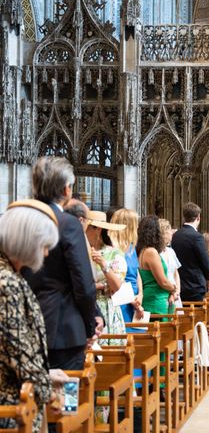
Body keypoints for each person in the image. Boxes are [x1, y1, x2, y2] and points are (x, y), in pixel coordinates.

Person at [26, 157, 99, 370]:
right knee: (66, 400)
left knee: (28, 396)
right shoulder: (67, 224)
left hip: (22, 325)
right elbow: (84, 285)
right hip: (62, 329)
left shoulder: (16, 219)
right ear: (67, 190)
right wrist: (89, 325)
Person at [0, 200, 60, 432]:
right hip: (13, 405)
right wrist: (48, 392)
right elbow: (18, 349)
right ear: (27, 242)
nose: (46, 253)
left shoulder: (10, 275)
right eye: (44, 245)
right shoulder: (6, 283)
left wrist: (46, 374)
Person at [85, 211, 128, 345]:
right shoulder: (79, 251)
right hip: (86, 305)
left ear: (97, 229)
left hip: (107, 308)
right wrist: (101, 286)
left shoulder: (113, 253)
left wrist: (103, 264)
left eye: (86, 228)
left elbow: (117, 286)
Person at [171, 202, 209, 301]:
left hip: (179, 285)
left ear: (184, 217)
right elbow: (205, 262)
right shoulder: (197, 236)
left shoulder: (175, 236)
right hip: (195, 287)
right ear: (198, 217)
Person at [109, 208, 144, 326]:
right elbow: (117, 278)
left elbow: (136, 272)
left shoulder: (131, 247)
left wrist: (140, 294)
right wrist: (132, 300)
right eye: (136, 224)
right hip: (122, 300)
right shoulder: (114, 249)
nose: (138, 227)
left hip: (134, 300)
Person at [137, 216, 178, 315]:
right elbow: (163, 281)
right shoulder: (151, 252)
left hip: (153, 297)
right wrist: (174, 289)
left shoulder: (142, 250)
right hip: (156, 300)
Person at [159, 219, 183, 308]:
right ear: (163, 233)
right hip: (164, 294)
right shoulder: (156, 253)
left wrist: (177, 292)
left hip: (175, 294)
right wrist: (171, 293)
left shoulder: (171, 251)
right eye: (169, 230)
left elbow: (176, 273)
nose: (171, 233)